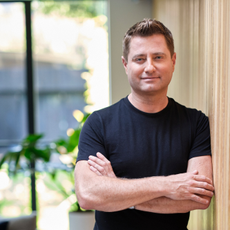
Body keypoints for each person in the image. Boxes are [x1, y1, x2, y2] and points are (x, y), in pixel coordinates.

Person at [74, 18, 214, 230]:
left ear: (173, 61)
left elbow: (198, 198)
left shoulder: (196, 123)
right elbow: (87, 195)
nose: (150, 67)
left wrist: (117, 191)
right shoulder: (98, 123)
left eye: (158, 57)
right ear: (125, 64)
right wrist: (168, 186)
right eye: (139, 59)